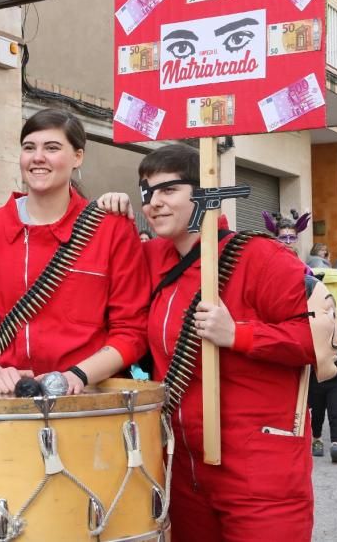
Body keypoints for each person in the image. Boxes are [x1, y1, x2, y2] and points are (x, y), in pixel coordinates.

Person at [98, 143, 315, 541]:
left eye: (168, 190)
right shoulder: (151, 259)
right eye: (146, 193)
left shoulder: (261, 257)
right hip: (183, 466)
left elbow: (316, 343)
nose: (153, 204)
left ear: (204, 192)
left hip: (259, 471)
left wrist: (240, 335)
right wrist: (110, 212)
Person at [0, 108, 149, 395]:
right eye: (29, 147)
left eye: (52, 148)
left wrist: (78, 375)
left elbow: (131, 330)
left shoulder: (110, 229)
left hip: (87, 398)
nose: (38, 157)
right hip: (6, 400)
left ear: (78, 157)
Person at [306, 276, 337, 464]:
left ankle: (336, 443)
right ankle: (317, 439)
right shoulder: (312, 332)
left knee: (336, 412)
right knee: (317, 414)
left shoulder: (336, 331)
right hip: (316, 381)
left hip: (334, 380)